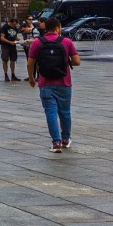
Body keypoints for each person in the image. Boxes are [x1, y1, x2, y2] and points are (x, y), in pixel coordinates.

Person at [28, 16, 81, 152]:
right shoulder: (67, 42)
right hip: (64, 82)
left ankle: (56, 143)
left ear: (46, 28)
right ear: (58, 28)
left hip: (45, 83)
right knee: (65, 112)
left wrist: (31, 78)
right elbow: (77, 61)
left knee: (51, 113)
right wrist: (66, 61)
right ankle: (65, 139)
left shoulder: (37, 42)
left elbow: (30, 63)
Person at [0, 17, 20, 81]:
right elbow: (2, 38)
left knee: (13, 60)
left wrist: (16, 39)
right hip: (5, 46)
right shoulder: (4, 27)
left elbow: (14, 36)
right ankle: (6, 75)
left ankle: (13, 75)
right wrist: (10, 42)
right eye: (14, 24)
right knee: (5, 60)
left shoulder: (14, 27)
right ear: (10, 22)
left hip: (13, 46)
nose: (15, 25)